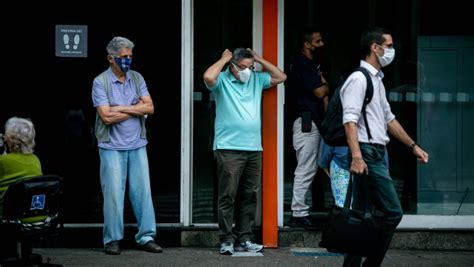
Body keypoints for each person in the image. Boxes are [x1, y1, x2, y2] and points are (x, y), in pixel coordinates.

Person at [340, 27, 429, 266]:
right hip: (367, 152)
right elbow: (349, 120)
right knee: (392, 212)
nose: (392, 51)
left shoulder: (376, 80)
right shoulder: (359, 79)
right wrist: (357, 157)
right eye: (388, 46)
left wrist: (413, 146)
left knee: (360, 214)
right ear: (375, 48)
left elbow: (389, 119)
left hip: (376, 151)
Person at [203, 47, 286, 255]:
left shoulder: (256, 80)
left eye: (250, 67)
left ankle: (244, 238)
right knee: (227, 195)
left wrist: (258, 59)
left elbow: (281, 76)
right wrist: (223, 59)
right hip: (228, 147)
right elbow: (208, 76)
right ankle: (226, 240)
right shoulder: (222, 80)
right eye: (243, 67)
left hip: (253, 147)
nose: (247, 71)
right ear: (232, 67)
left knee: (249, 195)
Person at [92, 36, 162, 255]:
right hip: (111, 147)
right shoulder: (100, 82)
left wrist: (119, 108)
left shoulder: (137, 78)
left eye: (130, 56)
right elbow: (106, 117)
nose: (128, 60)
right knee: (113, 194)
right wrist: (134, 107)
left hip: (137, 144)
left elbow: (150, 108)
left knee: (143, 192)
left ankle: (146, 237)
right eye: (123, 57)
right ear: (111, 58)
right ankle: (112, 240)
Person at [286, 26, 329, 229]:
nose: (322, 45)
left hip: (312, 122)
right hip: (306, 122)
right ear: (307, 44)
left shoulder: (310, 64)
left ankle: (304, 210)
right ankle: (298, 213)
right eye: (318, 41)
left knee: (317, 166)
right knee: (306, 167)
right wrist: (327, 85)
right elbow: (320, 92)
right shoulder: (302, 64)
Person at [0, 117, 42, 261]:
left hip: (10, 218)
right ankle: (27, 254)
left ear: (10, 139)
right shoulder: (35, 160)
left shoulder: (3, 161)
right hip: (37, 217)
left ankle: (8, 256)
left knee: (11, 208)